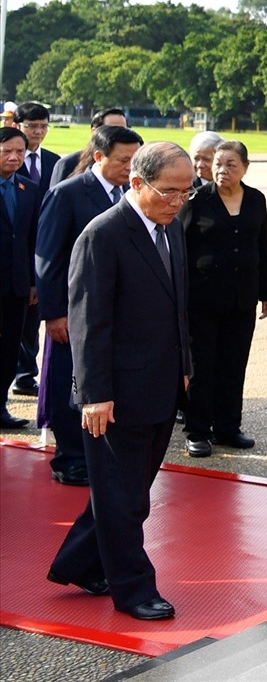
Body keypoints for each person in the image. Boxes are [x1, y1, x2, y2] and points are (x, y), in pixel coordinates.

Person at [46, 141, 193, 622]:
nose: (177, 201)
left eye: (186, 192)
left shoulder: (171, 228)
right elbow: (89, 323)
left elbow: (177, 305)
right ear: (137, 182)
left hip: (160, 385)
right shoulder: (103, 235)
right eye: (169, 192)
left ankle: (80, 563)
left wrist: (185, 366)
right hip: (114, 395)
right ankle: (132, 589)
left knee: (122, 492)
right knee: (126, 500)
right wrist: (94, 396)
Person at [35, 126, 143, 486]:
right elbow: (48, 259)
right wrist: (54, 314)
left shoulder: (132, 194)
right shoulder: (68, 194)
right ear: (99, 156)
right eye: (123, 160)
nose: (131, 168)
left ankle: (102, 456)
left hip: (118, 313)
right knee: (72, 384)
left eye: (135, 160)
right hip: (73, 314)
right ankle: (70, 458)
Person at [179, 140, 267, 457]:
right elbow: (180, 250)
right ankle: (198, 430)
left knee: (234, 365)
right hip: (201, 300)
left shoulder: (256, 199)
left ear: (245, 168)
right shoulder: (196, 200)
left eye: (230, 164)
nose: (222, 170)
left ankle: (228, 427)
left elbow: (262, 247)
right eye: (218, 163)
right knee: (203, 367)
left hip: (241, 299)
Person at [12, 102, 56, 400]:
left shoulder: (55, 162)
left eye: (42, 126)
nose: (38, 132)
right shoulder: (9, 160)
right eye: (32, 127)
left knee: (33, 317)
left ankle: (26, 374)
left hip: (45, 248)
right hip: (16, 247)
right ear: (18, 126)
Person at [0, 127, 42, 430]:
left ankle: (0, 407)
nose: (15, 157)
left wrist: (32, 282)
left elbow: (31, 239)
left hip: (16, 286)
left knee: (9, 349)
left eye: (20, 152)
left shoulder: (28, 189)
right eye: (7, 151)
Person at [49, 109, 128, 189]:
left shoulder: (132, 165)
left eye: (123, 130)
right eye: (112, 129)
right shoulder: (68, 164)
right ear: (94, 132)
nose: (119, 135)